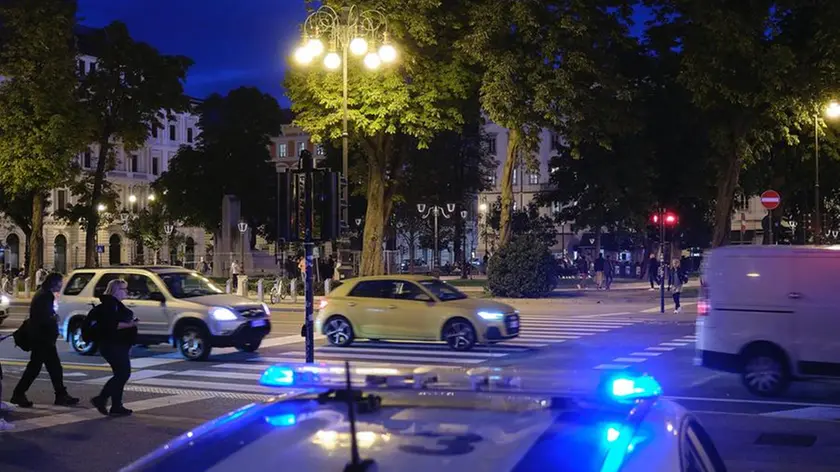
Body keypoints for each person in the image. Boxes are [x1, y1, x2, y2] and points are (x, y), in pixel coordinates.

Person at [11, 273, 79, 407]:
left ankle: (61, 394)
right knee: (35, 368)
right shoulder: (46, 295)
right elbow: (44, 317)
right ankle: (18, 394)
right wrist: (54, 318)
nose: (61, 285)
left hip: (42, 338)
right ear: (54, 283)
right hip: (42, 339)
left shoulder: (42, 293)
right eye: (60, 283)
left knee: (54, 368)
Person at [90, 279, 137, 416]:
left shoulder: (114, 304)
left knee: (120, 374)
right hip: (112, 345)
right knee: (123, 374)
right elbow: (111, 325)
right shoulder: (109, 305)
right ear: (116, 291)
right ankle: (101, 398)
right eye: (123, 289)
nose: (126, 292)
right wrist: (131, 324)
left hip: (117, 344)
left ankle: (116, 405)